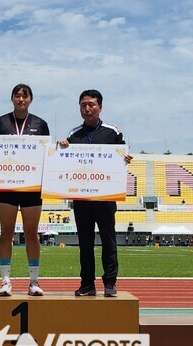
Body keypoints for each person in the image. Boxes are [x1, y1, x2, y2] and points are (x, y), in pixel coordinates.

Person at [58, 89, 133, 297]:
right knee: (85, 243)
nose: (87, 108)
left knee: (108, 240)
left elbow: (122, 156)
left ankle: (110, 283)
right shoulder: (73, 135)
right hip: (81, 198)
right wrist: (62, 147)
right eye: (83, 105)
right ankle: (87, 284)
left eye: (91, 104)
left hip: (105, 197)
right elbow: (65, 162)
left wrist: (126, 159)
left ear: (100, 107)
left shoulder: (113, 132)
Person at [0, 83, 50, 296]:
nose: (21, 100)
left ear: (31, 99)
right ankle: (5, 280)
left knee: (32, 233)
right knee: (6, 232)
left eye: (25, 96)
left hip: (32, 188)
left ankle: (34, 281)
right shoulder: (0, 123)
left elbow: (47, 154)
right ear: (12, 98)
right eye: (17, 96)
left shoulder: (40, 124)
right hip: (6, 187)